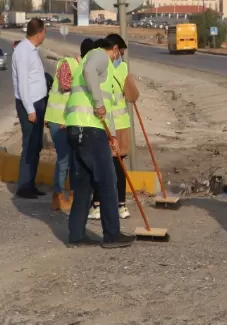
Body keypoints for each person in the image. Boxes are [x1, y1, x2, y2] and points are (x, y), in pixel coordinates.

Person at [64, 37, 135, 248]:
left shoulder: (85, 60)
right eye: (118, 53)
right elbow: (92, 82)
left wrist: (111, 136)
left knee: (84, 184)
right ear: (113, 49)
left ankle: (76, 235)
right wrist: (98, 103)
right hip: (89, 129)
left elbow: (108, 109)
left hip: (76, 128)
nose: (118, 57)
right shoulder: (99, 55)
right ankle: (112, 235)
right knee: (107, 181)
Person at [89, 34, 140, 221]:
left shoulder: (99, 67)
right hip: (120, 125)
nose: (121, 57)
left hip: (103, 123)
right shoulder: (122, 69)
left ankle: (97, 205)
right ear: (116, 49)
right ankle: (121, 205)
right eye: (122, 53)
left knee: (103, 166)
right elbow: (133, 95)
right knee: (118, 167)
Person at [43, 37, 94, 211]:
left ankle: (72, 196)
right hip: (58, 119)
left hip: (70, 120)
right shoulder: (68, 64)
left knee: (73, 159)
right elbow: (65, 86)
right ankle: (57, 196)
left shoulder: (83, 69)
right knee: (64, 159)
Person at [11, 18, 48, 199]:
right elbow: (23, 85)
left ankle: (30, 183)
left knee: (36, 145)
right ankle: (24, 186)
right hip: (30, 105)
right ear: (39, 32)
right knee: (29, 145)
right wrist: (30, 110)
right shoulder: (23, 51)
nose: (45, 35)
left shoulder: (32, 50)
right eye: (45, 31)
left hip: (38, 102)